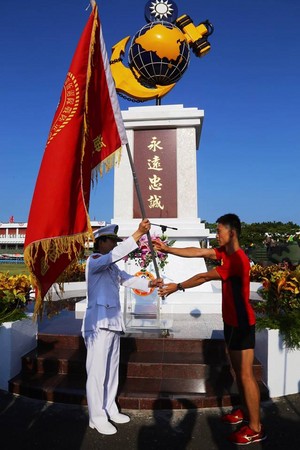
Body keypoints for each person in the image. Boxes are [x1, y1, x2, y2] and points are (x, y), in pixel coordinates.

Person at [155, 213, 267, 445]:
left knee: (246, 375)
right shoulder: (226, 253)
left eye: (219, 231)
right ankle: (245, 412)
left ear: (232, 233)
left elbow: (204, 277)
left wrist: (177, 286)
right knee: (238, 372)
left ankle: (255, 427)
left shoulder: (237, 259)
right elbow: (199, 252)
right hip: (232, 322)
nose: (216, 235)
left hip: (242, 323)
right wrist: (167, 249)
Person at [81, 219, 162, 435]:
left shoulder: (111, 267)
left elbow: (127, 279)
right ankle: (97, 416)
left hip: (112, 323)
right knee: (97, 373)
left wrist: (150, 283)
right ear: (101, 243)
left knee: (111, 370)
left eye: (116, 241)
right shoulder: (95, 261)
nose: (115, 244)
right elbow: (115, 256)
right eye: (112, 241)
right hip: (98, 324)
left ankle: (109, 408)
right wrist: (137, 234)